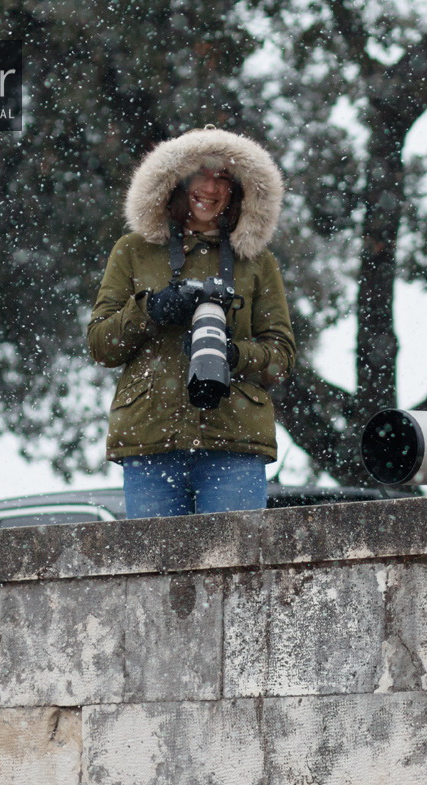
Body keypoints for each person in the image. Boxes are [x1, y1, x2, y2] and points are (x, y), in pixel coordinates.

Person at [87, 127, 295, 518]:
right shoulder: (133, 251)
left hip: (235, 440)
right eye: (200, 172)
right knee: (155, 570)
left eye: (223, 177)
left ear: (237, 191)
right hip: (149, 439)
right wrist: (151, 310)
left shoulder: (257, 262)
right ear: (176, 180)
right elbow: (101, 345)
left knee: (237, 566)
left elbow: (281, 357)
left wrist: (232, 354)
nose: (210, 187)